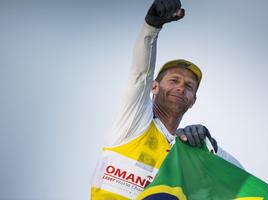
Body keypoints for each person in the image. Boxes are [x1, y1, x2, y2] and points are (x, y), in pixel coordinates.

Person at [91, 0, 242, 199]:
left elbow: (241, 180)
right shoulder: (133, 124)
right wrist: (151, 28)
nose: (181, 87)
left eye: (189, 86)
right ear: (154, 87)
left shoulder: (187, 150)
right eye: (174, 80)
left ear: (193, 100)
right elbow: (140, 75)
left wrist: (210, 146)